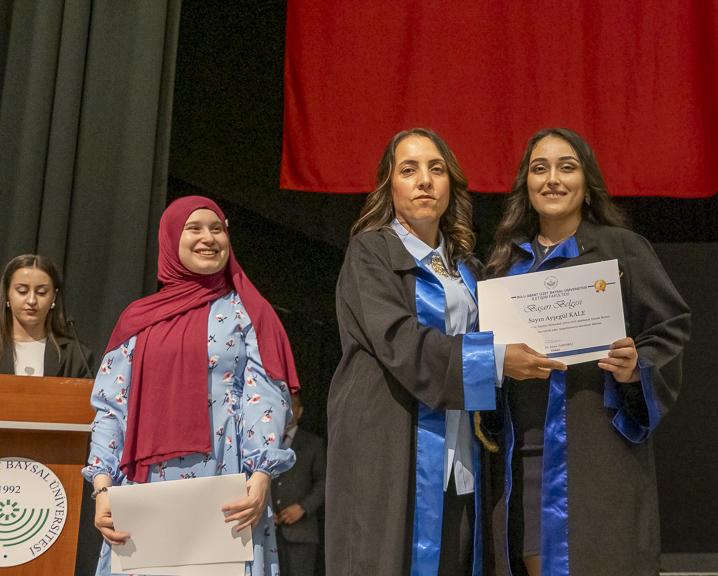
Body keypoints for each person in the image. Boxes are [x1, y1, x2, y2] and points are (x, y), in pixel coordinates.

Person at [325, 128, 564, 576]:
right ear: (389, 186)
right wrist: (494, 360)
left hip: (462, 453)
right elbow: (400, 341)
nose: (424, 180)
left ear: (450, 184)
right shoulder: (371, 253)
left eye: (436, 169)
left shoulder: (467, 267)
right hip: (391, 447)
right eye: (408, 170)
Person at [483, 128, 691, 576]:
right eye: (540, 169)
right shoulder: (504, 263)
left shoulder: (622, 250)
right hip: (524, 456)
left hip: (596, 457)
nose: (552, 179)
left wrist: (637, 366)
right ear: (526, 184)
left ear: (587, 182)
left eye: (567, 167)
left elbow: (669, 329)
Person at [81, 196, 300, 576]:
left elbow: (264, 398)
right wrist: (102, 488)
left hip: (226, 478)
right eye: (194, 228)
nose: (208, 238)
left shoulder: (248, 312)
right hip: (146, 487)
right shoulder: (139, 319)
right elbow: (112, 407)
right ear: (170, 238)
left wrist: (262, 475)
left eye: (217, 229)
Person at [0, 254, 93, 377]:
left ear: (53, 297)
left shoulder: (76, 356)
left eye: (41, 292)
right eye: (22, 291)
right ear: (7, 294)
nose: (32, 300)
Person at [272, 391, 326, 576]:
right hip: (270, 532)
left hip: (302, 533)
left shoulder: (313, 443)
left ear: (300, 411)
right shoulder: (266, 444)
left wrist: (302, 508)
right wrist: (266, 511)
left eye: (291, 405)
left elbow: (324, 481)